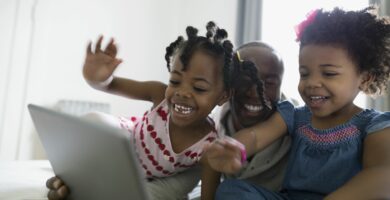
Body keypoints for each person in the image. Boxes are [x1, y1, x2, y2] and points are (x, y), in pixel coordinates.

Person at [205, 6, 390, 200]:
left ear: (365, 79)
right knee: (232, 190)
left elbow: (383, 175)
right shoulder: (294, 115)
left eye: (329, 74)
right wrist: (236, 147)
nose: (311, 83)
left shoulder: (374, 126)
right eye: (305, 73)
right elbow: (256, 137)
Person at [46, 21, 234, 200]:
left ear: (223, 96)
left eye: (199, 88)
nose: (182, 93)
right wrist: (96, 78)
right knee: (92, 120)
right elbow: (109, 85)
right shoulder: (159, 94)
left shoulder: (210, 146)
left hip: (157, 179)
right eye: (175, 81)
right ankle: (72, 180)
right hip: (126, 147)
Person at [211, 41, 292, 191]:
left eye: (269, 83)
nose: (255, 93)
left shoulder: (297, 121)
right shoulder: (214, 123)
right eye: (245, 80)